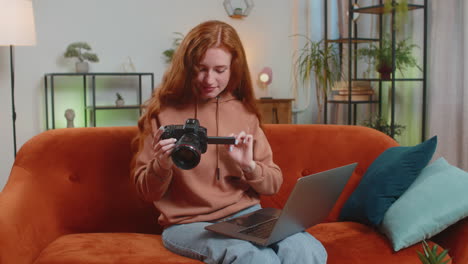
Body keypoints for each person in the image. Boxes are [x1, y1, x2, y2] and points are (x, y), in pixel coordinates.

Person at [131, 20, 327, 264]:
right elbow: (146, 192)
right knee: (256, 259)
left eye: (219, 70)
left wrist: (249, 166)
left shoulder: (244, 112)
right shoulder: (162, 112)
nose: (209, 79)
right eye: (200, 68)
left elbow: (273, 184)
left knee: (306, 249)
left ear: (234, 69)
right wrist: (161, 163)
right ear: (186, 66)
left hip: (246, 216)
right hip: (189, 224)